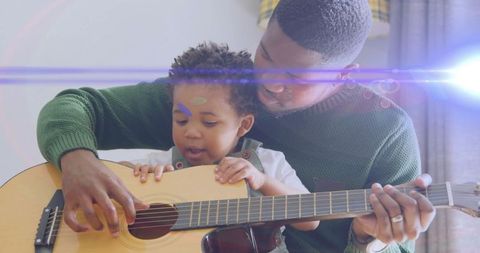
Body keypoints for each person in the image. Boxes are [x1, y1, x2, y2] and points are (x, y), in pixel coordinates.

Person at [36, 0, 436, 252]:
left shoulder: (387, 132)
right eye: (265, 54)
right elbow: (74, 106)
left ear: (345, 76)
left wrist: (366, 237)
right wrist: (78, 162)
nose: (268, 81)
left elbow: (399, 245)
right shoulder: (216, 91)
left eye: (295, 78)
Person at [120, 43, 319, 250]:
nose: (191, 132)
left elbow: (311, 220)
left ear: (243, 125)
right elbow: (110, 176)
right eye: (181, 120)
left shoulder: (269, 162)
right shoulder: (163, 165)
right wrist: (136, 179)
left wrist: (263, 182)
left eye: (209, 123)